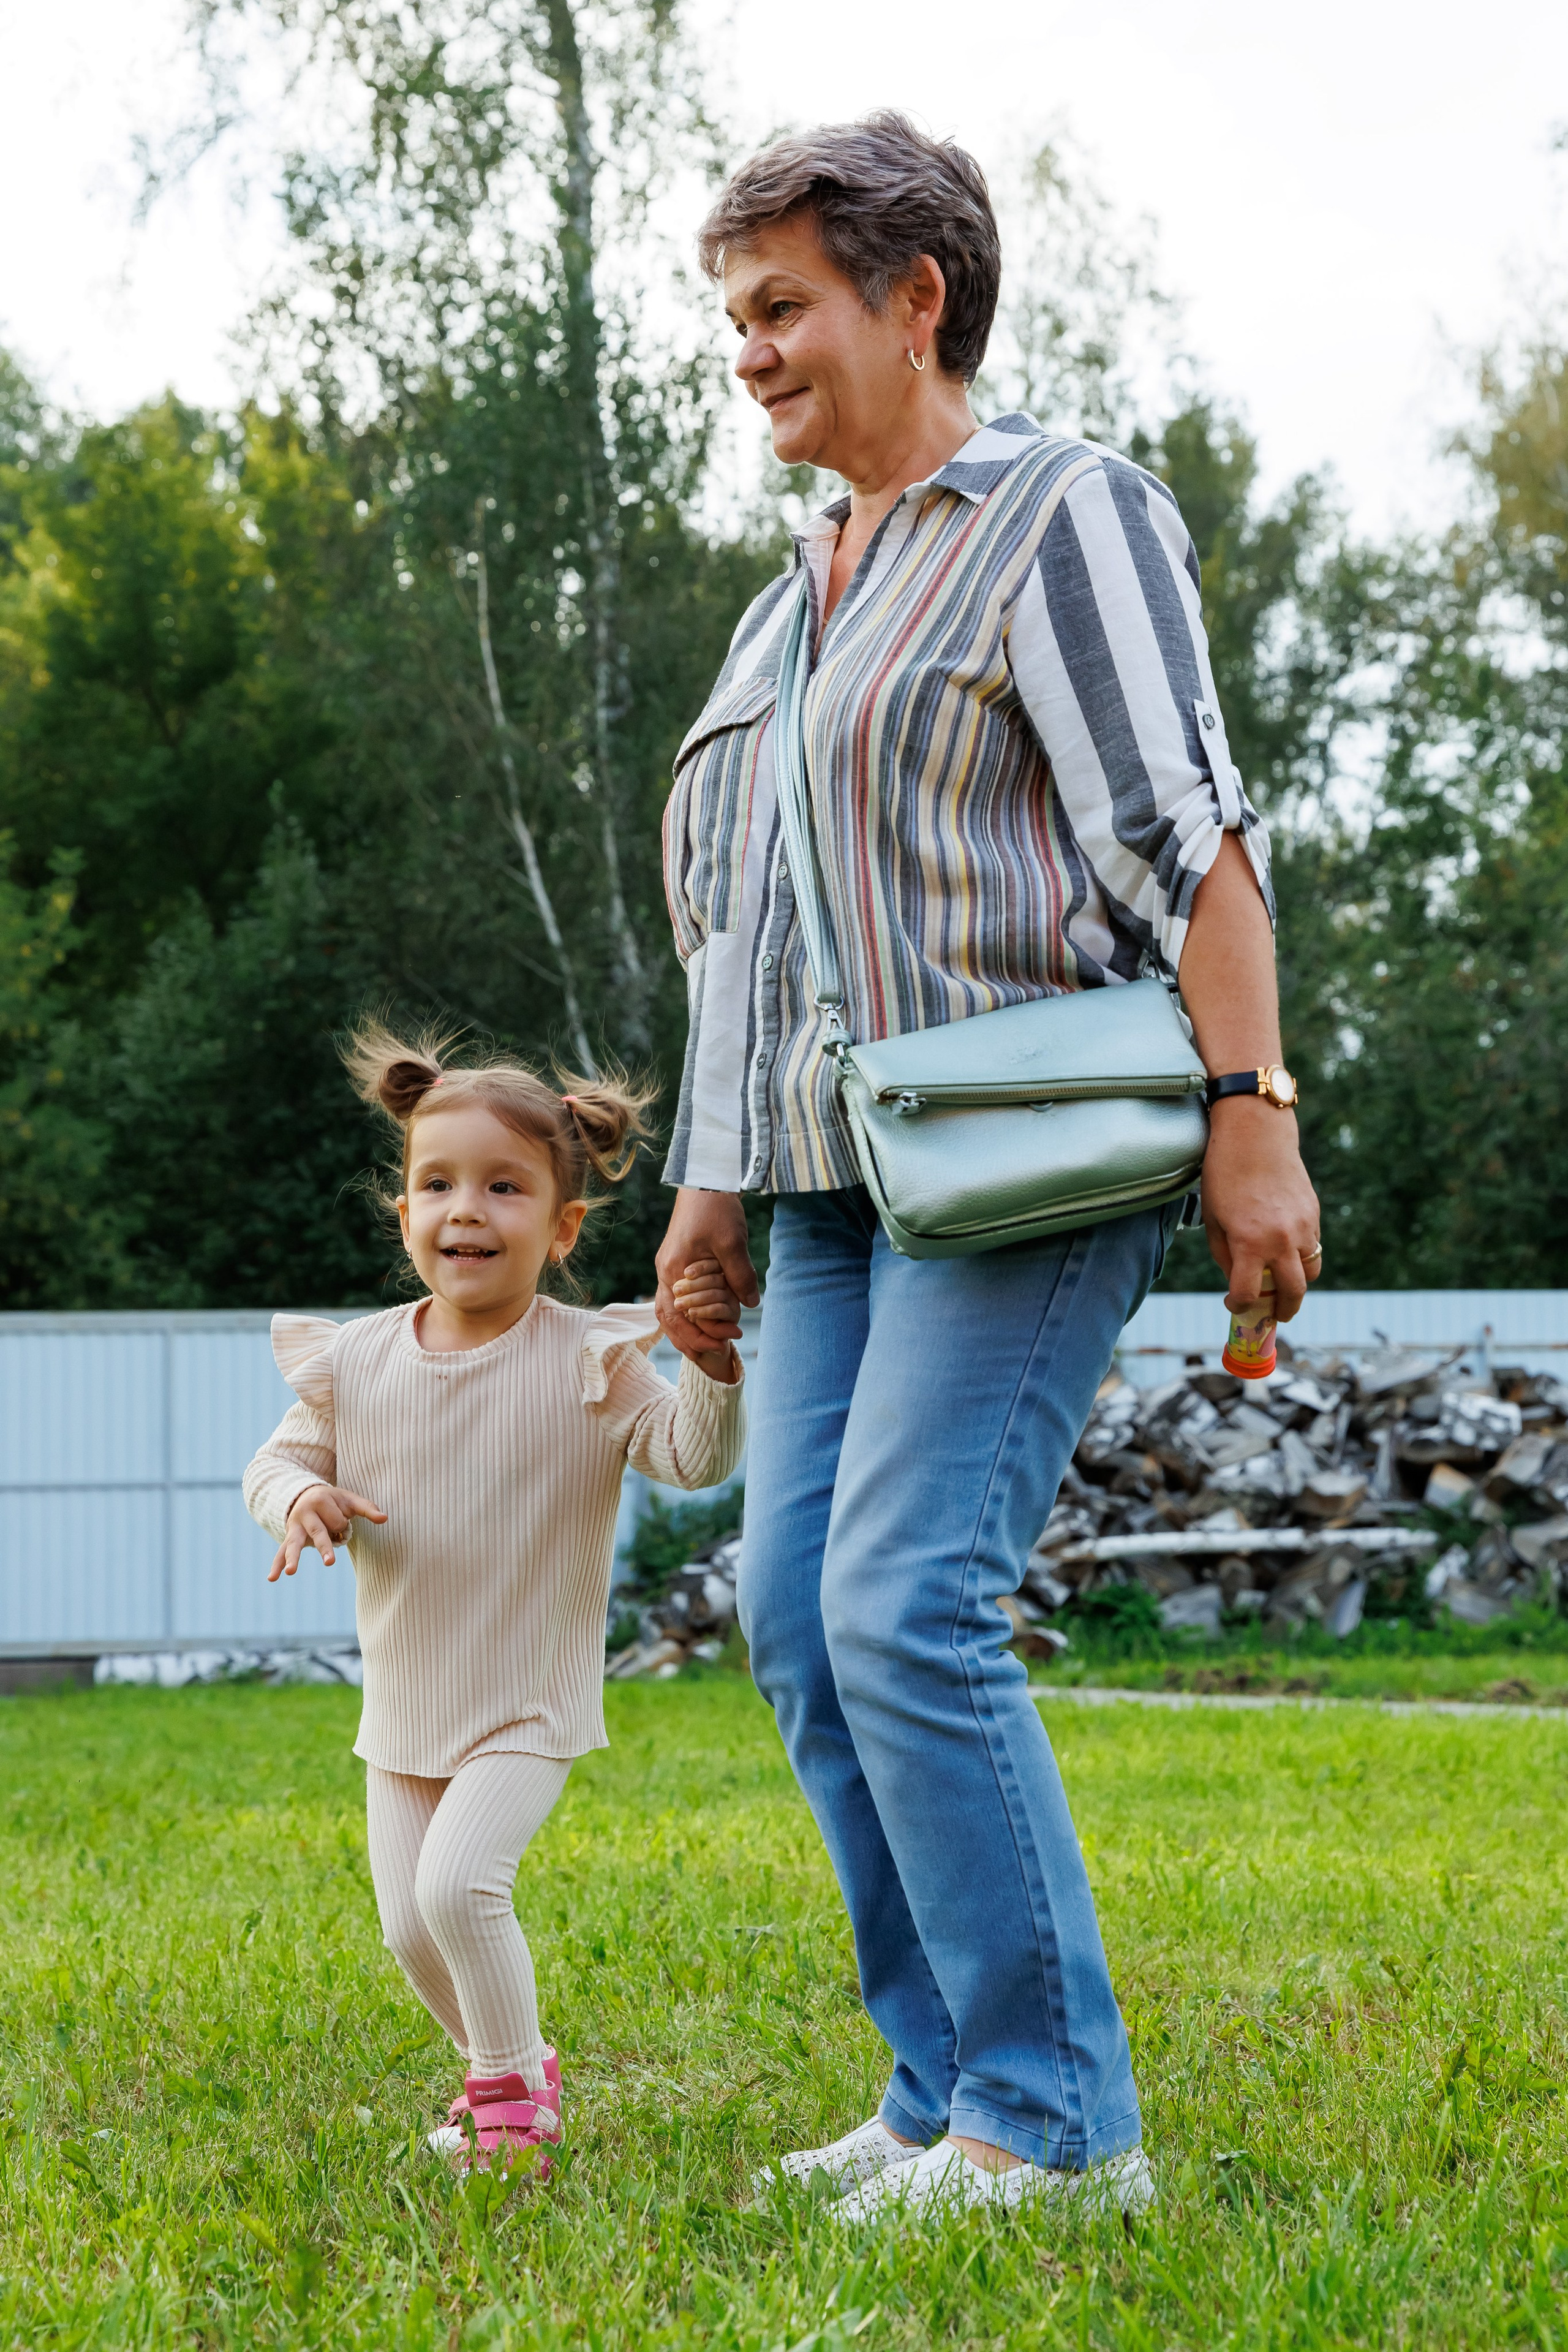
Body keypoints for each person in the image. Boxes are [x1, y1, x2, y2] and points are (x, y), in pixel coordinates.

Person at [655, 112, 1322, 2221]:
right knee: (792, 1615)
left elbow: (1192, 838)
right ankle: (938, 2091)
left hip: (1026, 1166)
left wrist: (1255, 1122)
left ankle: (1060, 2128)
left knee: (903, 1600)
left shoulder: (1055, 513)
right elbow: (746, 936)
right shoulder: (788, 610)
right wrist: (706, 1187)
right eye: (734, 315)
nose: (749, 351)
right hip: (828, 1187)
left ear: (913, 295)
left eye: (782, 305)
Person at [243, 1026, 744, 2174]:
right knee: (409, 1926)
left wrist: (712, 1371)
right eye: (437, 1184)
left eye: (504, 1187)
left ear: (564, 1228)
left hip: (527, 1700)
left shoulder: (591, 1359)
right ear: (403, 1211)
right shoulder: (357, 1360)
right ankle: (509, 2067)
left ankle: (515, 2121)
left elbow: (687, 1458)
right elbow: (274, 1463)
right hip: (407, 1706)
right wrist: (297, 1500)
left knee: (463, 1889)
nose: (465, 1209)